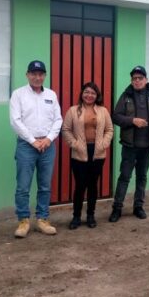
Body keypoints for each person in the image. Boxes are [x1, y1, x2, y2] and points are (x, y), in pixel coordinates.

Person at [9, 60, 62, 238]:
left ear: (44, 76)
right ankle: (24, 220)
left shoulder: (51, 95)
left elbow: (58, 119)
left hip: (47, 145)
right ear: (27, 75)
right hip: (26, 145)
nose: (37, 77)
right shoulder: (18, 95)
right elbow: (15, 121)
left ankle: (42, 219)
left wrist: (48, 139)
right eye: (34, 74)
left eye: (41, 74)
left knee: (45, 186)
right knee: (23, 186)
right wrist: (33, 141)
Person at [109, 66, 149, 222]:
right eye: (134, 78)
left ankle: (138, 207)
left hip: (147, 145)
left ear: (146, 80)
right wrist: (132, 121)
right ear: (131, 81)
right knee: (125, 177)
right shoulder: (126, 95)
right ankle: (117, 208)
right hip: (130, 146)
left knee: (142, 177)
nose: (137, 81)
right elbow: (115, 116)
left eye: (140, 78)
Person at [61, 82, 114, 230]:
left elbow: (109, 129)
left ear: (96, 96)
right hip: (79, 153)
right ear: (82, 94)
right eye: (86, 92)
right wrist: (75, 144)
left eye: (92, 93)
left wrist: (104, 143)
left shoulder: (103, 111)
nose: (89, 95)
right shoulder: (73, 111)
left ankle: (90, 215)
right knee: (80, 186)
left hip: (97, 152)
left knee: (92, 185)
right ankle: (76, 217)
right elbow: (66, 130)